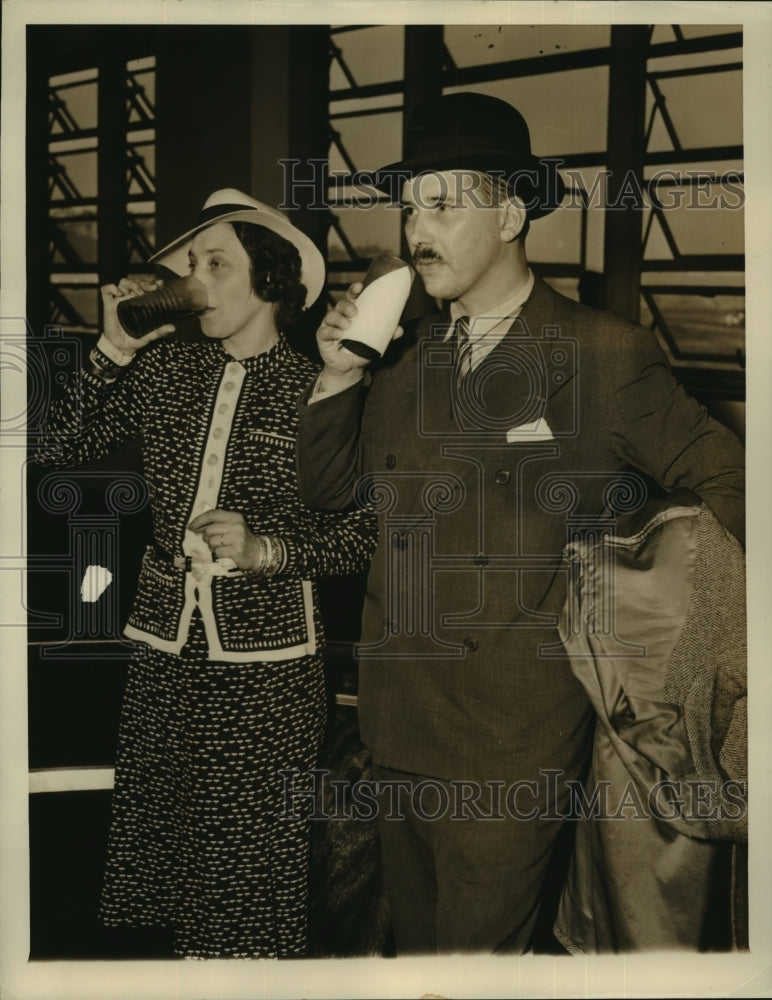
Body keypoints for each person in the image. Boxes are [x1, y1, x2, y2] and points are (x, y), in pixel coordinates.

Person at [294, 92, 745, 954]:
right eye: (410, 205)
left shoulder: (599, 355)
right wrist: (338, 376)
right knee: (421, 958)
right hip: (394, 726)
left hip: (511, 745)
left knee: (476, 969)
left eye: (443, 204)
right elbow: (327, 493)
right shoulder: (403, 357)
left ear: (508, 213)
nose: (415, 228)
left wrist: (654, 631)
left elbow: (725, 479)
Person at [35, 188, 377, 959]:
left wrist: (264, 551)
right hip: (163, 649)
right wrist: (113, 348)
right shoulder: (164, 373)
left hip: (268, 669)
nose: (192, 280)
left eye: (214, 263)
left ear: (272, 280)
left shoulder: (317, 389)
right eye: (190, 265)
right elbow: (54, 447)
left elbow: (361, 535)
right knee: (170, 860)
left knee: (246, 872)